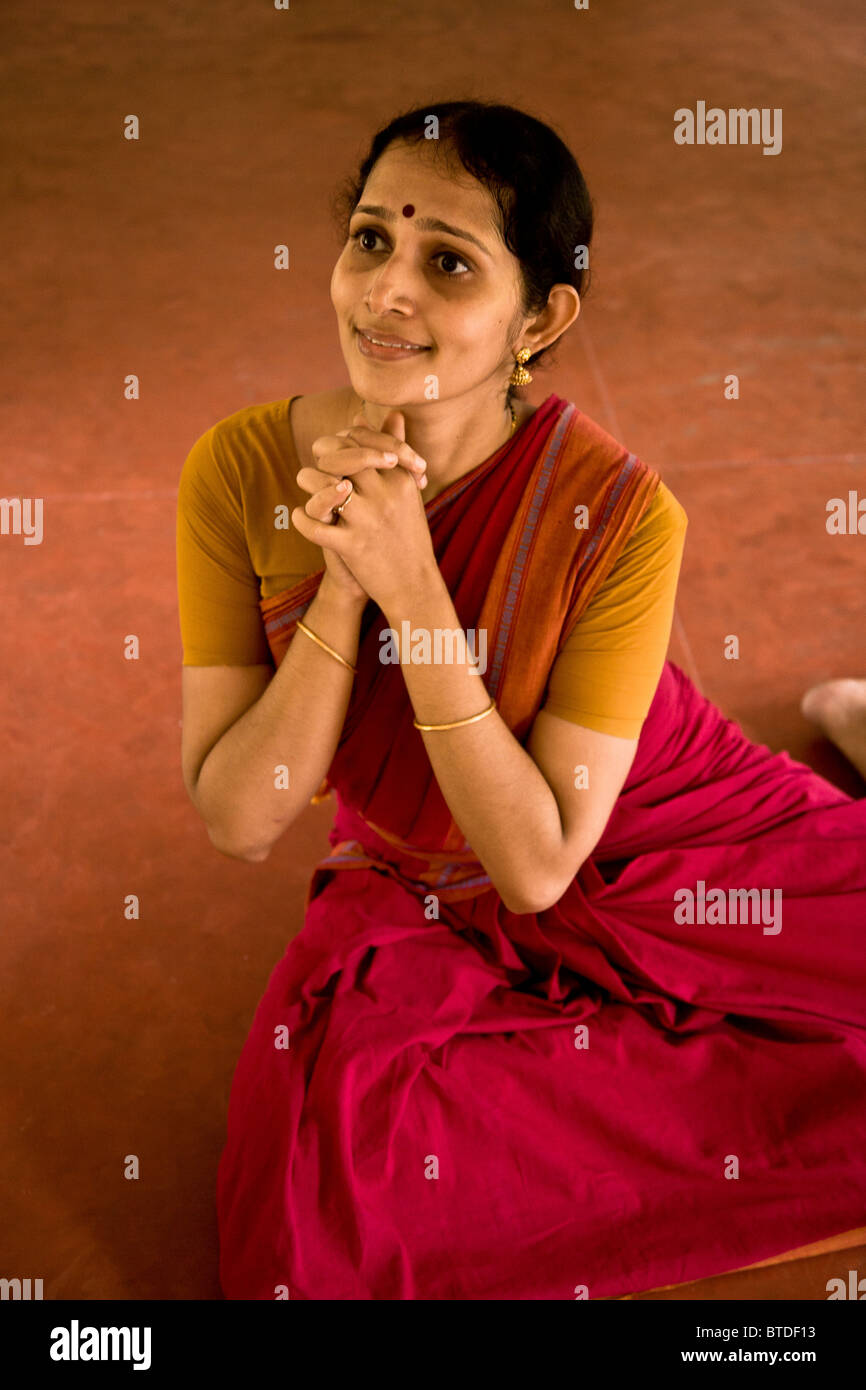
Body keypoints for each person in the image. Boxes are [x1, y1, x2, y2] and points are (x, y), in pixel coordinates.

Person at [176, 100, 866, 1301]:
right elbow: (239, 818)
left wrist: (413, 581)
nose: (385, 291)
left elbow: (543, 861)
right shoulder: (239, 470)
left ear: (540, 317)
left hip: (651, 825)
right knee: (326, 1224)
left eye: (447, 260)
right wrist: (346, 579)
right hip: (427, 883)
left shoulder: (621, 512)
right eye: (368, 240)